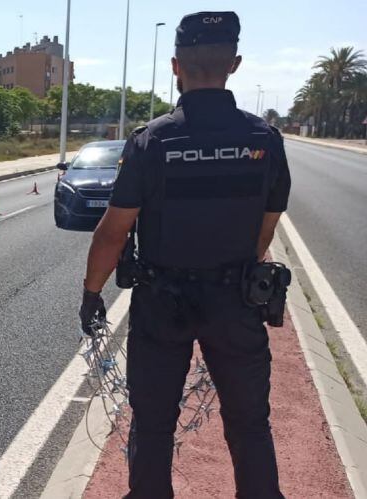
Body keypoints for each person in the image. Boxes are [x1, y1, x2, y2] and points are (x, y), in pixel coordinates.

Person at [78, 12, 291, 498]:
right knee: (250, 425)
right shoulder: (265, 140)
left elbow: (113, 232)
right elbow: (266, 229)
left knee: (152, 426)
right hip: (236, 303)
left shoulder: (152, 140)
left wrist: (92, 294)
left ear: (176, 65)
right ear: (234, 64)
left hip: (162, 306)